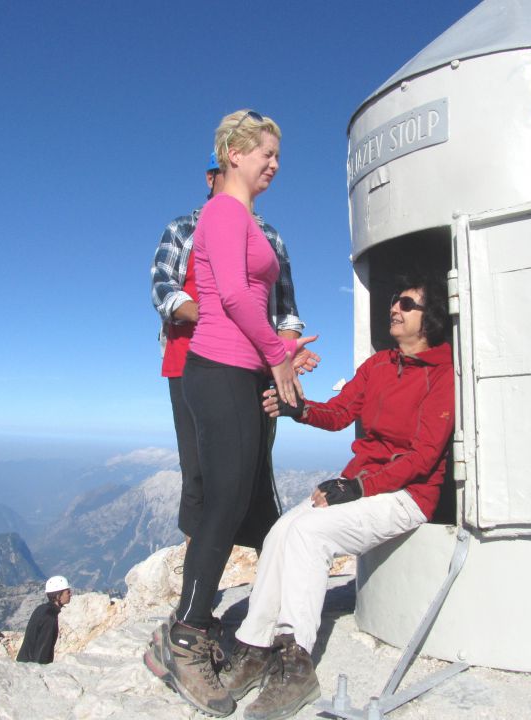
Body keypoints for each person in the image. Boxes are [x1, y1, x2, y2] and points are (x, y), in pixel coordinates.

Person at [218, 274, 455, 720]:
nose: (395, 308)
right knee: (282, 530)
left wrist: (359, 487)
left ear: (432, 319)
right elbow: (343, 412)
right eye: (393, 301)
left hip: (407, 495)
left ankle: (297, 663)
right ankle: (253, 646)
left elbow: (424, 456)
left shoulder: (443, 375)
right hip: (363, 484)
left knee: (309, 535)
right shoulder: (379, 365)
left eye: (407, 303)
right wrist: (300, 410)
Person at [144, 110, 315, 717]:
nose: (274, 164)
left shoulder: (252, 224)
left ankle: (258, 633)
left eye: (277, 155)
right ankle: (183, 638)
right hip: (218, 370)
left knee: (254, 505)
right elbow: (237, 299)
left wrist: (284, 353)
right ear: (234, 154)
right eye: (265, 152)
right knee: (220, 501)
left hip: (241, 371)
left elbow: (270, 303)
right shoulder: (220, 213)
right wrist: (279, 358)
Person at [150, 152, 309, 544]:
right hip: (188, 363)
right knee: (197, 470)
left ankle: (260, 570)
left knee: (253, 468)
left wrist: (283, 359)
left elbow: (287, 312)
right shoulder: (183, 228)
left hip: (254, 365)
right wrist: (216, 320)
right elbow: (163, 290)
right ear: (212, 178)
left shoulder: (269, 237)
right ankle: (197, 571)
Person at [15, 575, 72, 664]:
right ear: (58, 596)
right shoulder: (50, 617)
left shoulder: (41, 608)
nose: (70, 594)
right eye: (68, 592)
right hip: (32, 667)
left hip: (24, 661)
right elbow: (44, 647)